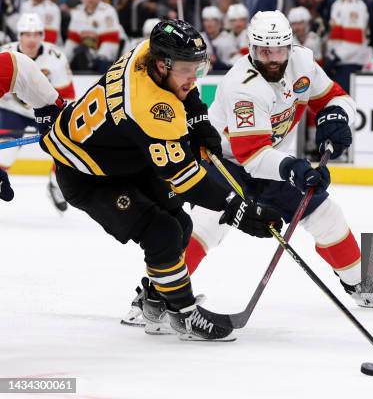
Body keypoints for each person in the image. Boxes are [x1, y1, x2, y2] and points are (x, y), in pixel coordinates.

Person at [38, 19, 283, 341]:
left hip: (121, 156)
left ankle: (154, 302)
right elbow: (184, 178)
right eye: (186, 68)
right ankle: (183, 315)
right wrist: (237, 209)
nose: (193, 76)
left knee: (179, 222)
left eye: (197, 66)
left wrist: (197, 120)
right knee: (161, 232)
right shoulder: (152, 107)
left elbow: (186, 88)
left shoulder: (148, 54)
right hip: (86, 175)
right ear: (161, 64)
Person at [185, 11, 373, 310]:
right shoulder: (243, 86)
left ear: (289, 46)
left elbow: (337, 98)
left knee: (326, 213)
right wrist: (294, 168)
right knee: (206, 222)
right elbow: (252, 156)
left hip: (274, 162)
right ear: (251, 49)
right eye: (265, 51)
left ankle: (358, 282)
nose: (274, 58)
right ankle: (158, 295)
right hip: (226, 163)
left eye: (279, 50)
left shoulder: (302, 63)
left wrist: (336, 115)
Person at [0, 13, 75, 212]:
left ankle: (55, 183)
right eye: (26, 34)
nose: (31, 39)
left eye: (36, 34)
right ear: (19, 35)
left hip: (44, 109)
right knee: (4, 157)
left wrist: (64, 121)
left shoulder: (56, 57)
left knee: (66, 148)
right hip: (12, 111)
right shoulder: (5, 54)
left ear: (43, 35)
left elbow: (67, 94)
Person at [0, 49, 65, 203]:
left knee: (66, 140)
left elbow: (66, 91)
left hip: (31, 86)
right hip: (15, 110)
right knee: (5, 157)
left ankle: (58, 183)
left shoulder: (53, 56)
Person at [64, 0, 122, 72]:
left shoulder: (108, 10)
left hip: (104, 48)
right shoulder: (77, 11)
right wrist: (64, 59)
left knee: (102, 58)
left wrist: (98, 56)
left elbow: (111, 39)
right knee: (70, 54)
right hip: (85, 48)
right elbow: (73, 39)